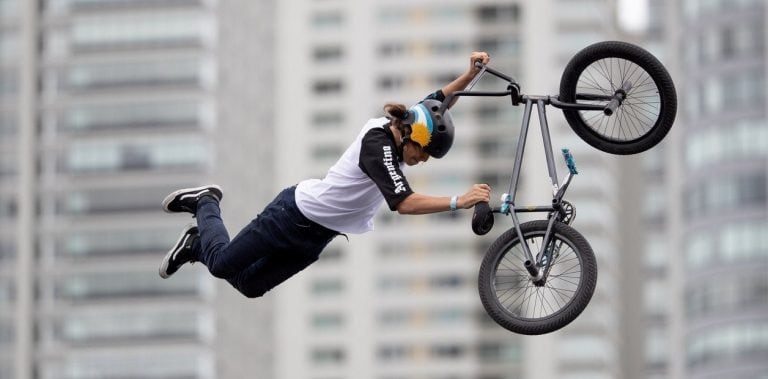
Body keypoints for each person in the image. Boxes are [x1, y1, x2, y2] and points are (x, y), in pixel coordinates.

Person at [158, 52, 493, 298]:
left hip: (314, 238)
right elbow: (403, 203)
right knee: (222, 266)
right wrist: (458, 201)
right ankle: (206, 202)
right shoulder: (377, 145)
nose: (422, 160)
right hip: (289, 216)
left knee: (250, 286)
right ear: (411, 136)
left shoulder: (410, 123)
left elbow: (440, 103)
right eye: (423, 153)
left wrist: (471, 74)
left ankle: (195, 245)